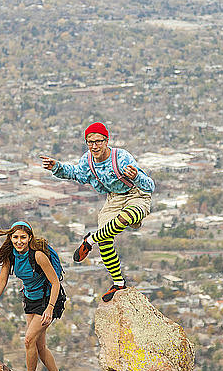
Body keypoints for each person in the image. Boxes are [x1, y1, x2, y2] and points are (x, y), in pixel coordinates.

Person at [40, 122, 155, 302]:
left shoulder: (121, 157)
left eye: (98, 141)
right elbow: (75, 173)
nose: (94, 146)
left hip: (136, 194)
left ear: (106, 140)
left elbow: (150, 186)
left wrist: (136, 177)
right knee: (105, 241)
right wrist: (56, 167)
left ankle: (90, 239)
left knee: (126, 218)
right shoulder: (88, 161)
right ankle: (118, 283)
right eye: (90, 142)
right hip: (114, 199)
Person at [0, 221, 69, 371]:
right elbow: (2, 280)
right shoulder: (11, 255)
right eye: (15, 237)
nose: (19, 241)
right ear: (10, 238)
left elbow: (56, 283)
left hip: (48, 299)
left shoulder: (38, 256)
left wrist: (50, 308)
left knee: (28, 340)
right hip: (30, 299)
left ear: (29, 238)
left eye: (23, 237)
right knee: (38, 345)